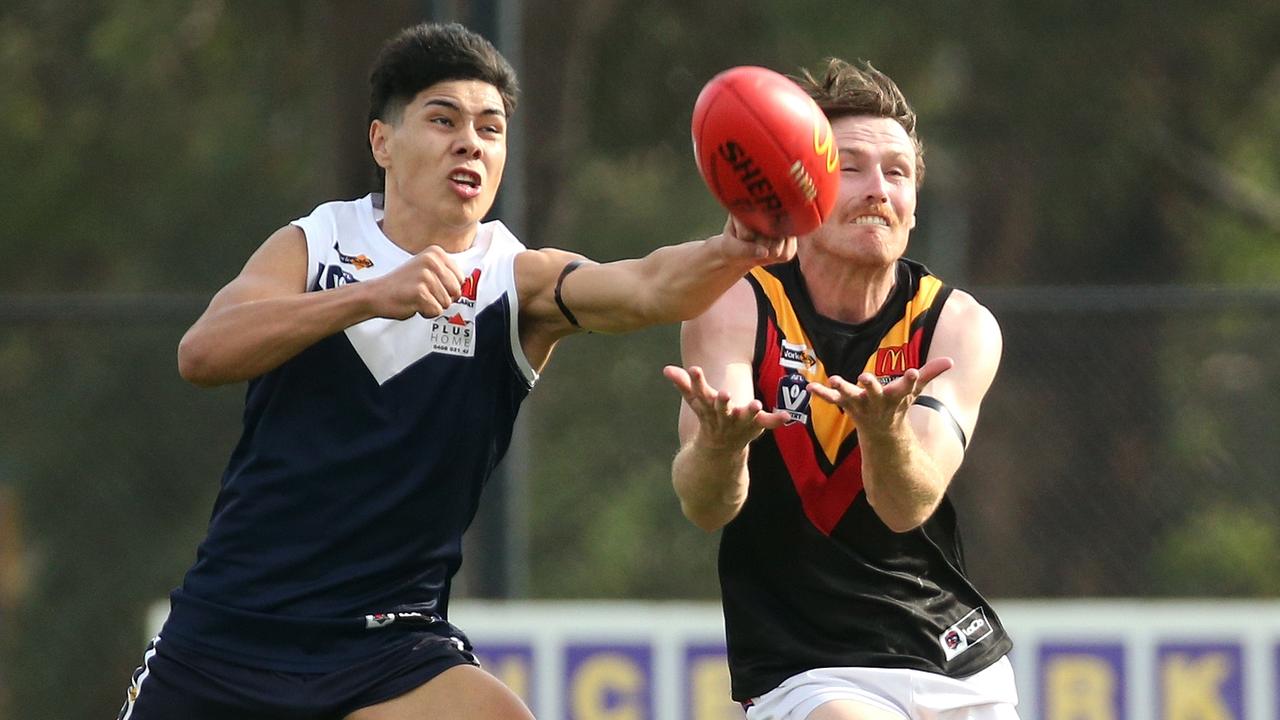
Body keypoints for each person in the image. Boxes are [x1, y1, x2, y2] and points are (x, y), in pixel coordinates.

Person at [116, 22, 793, 720]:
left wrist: (734, 248)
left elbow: (647, 286)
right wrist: (370, 296)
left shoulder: (516, 281)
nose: (471, 141)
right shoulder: (314, 245)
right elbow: (201, 354)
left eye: (491, 128)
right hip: (229, 635)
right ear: (382, 141)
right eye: (443, 119)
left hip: (388, 648)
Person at [663, 58, 1018, 720]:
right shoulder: (738, 304)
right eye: (851, 167)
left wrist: (883, 434)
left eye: (898, 173)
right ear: (799, 185)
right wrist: (720, 445)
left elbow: (906, 506)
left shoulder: (957, 324)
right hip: (808, 668)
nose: (879, 188)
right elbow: (707, 506)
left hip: (955, 656)